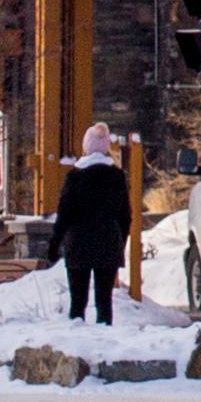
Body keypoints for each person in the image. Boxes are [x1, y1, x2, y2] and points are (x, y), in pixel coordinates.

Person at [51, 123, 131, 326]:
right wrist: (121, 240)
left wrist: (55, 244)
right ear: (106, 148)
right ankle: (104, 343)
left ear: (85, 146)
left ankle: (78, 344)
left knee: (77, 302)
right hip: (108, 242)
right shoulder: (117, 176)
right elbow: (125, 215)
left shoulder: (75, 176)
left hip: (78, 243)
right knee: (105, 302)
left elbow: (64, 215)